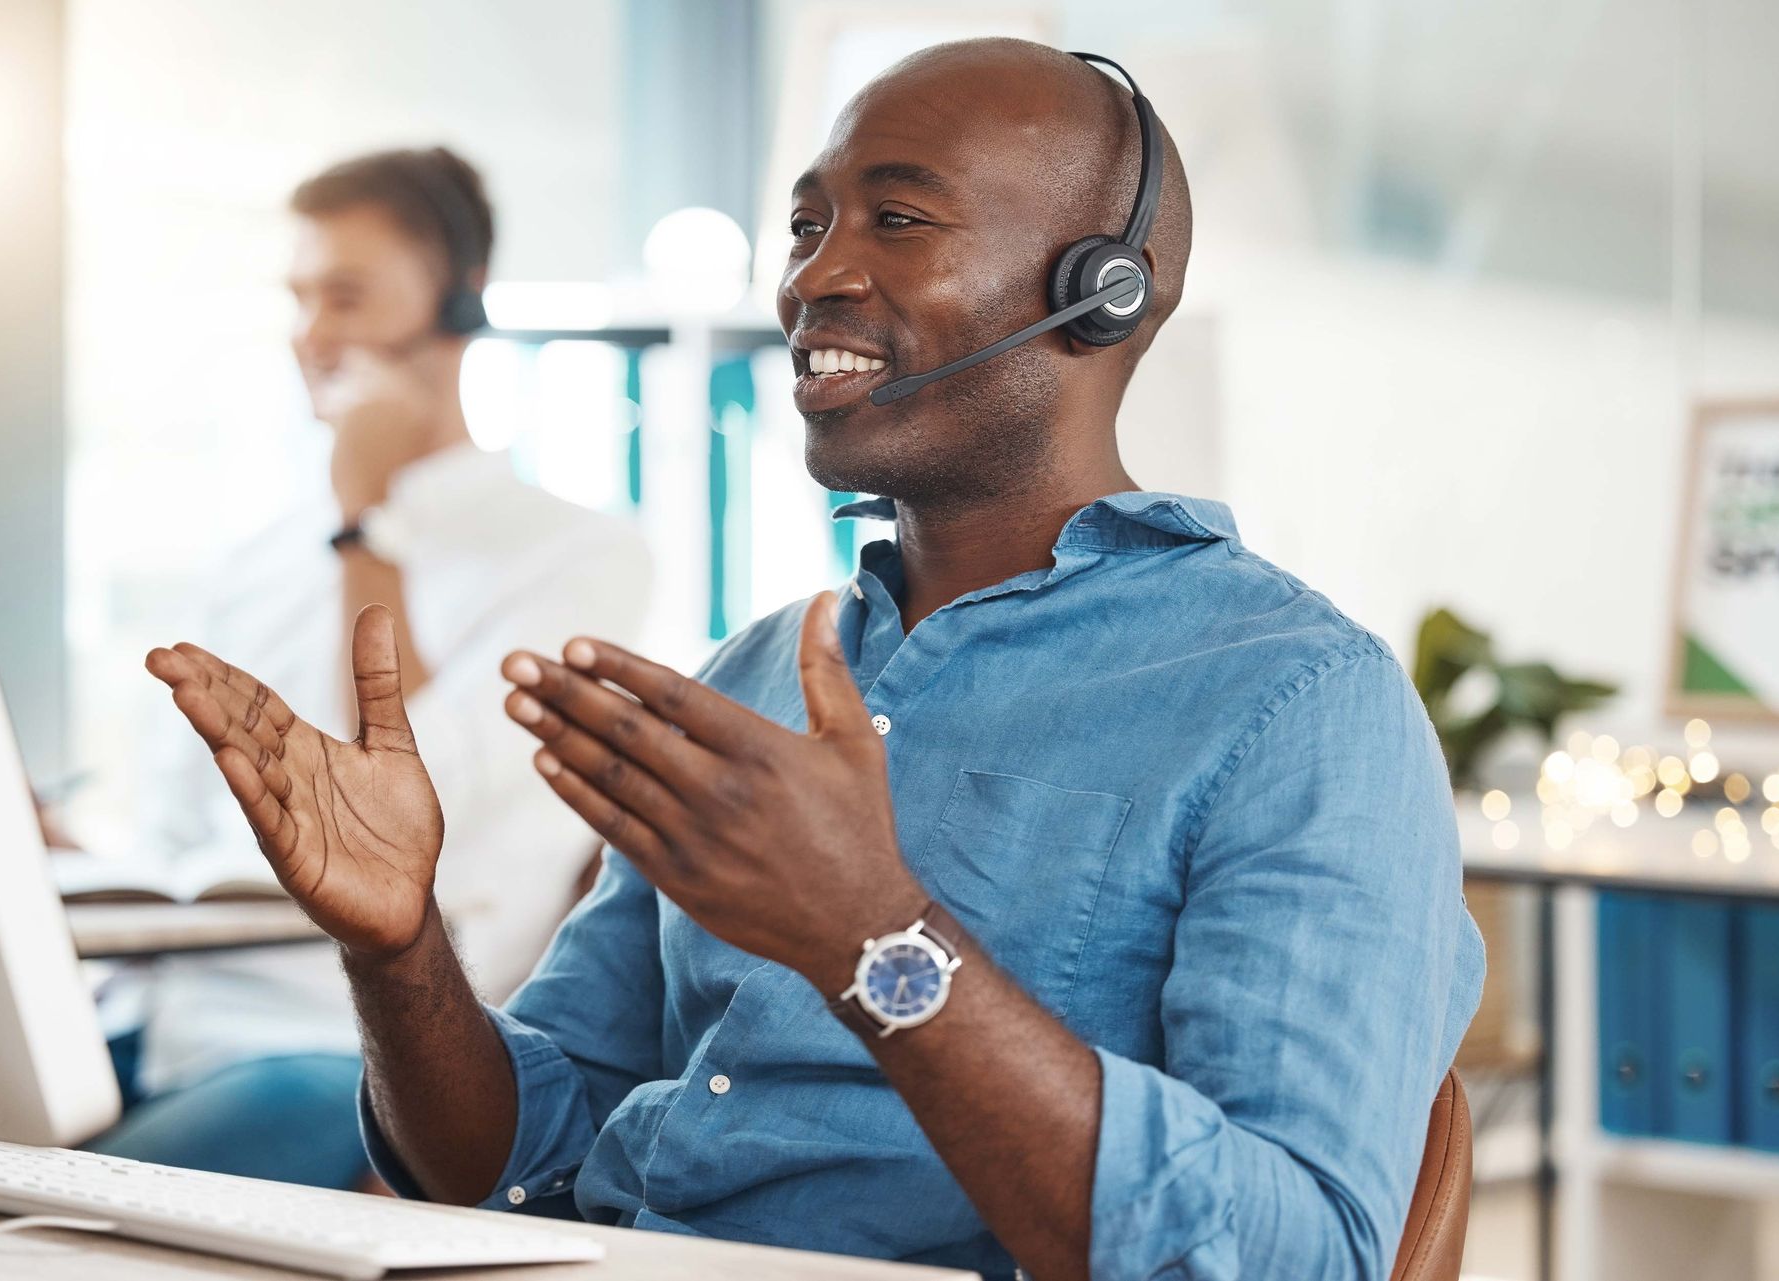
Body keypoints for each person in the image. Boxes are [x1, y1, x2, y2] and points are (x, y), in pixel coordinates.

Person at [145, 41, 1483, 1281]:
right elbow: (510, 1157)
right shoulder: (757, 671)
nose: (811, 277)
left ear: (1103, 292)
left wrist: (873, 935)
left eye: (896, 220)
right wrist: (399, 947)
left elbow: (1299, 1256)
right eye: (805, 225)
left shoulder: (1299, 704)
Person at [86, 147, 652, 1190]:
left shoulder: (580, 557)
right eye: (300, 299)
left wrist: (366, 522)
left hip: (333, 1053)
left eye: (345, 297)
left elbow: (395, 794)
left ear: (457, 305)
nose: (312, 335)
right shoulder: (257, 556)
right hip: (160, 1026)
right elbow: (173, 831)